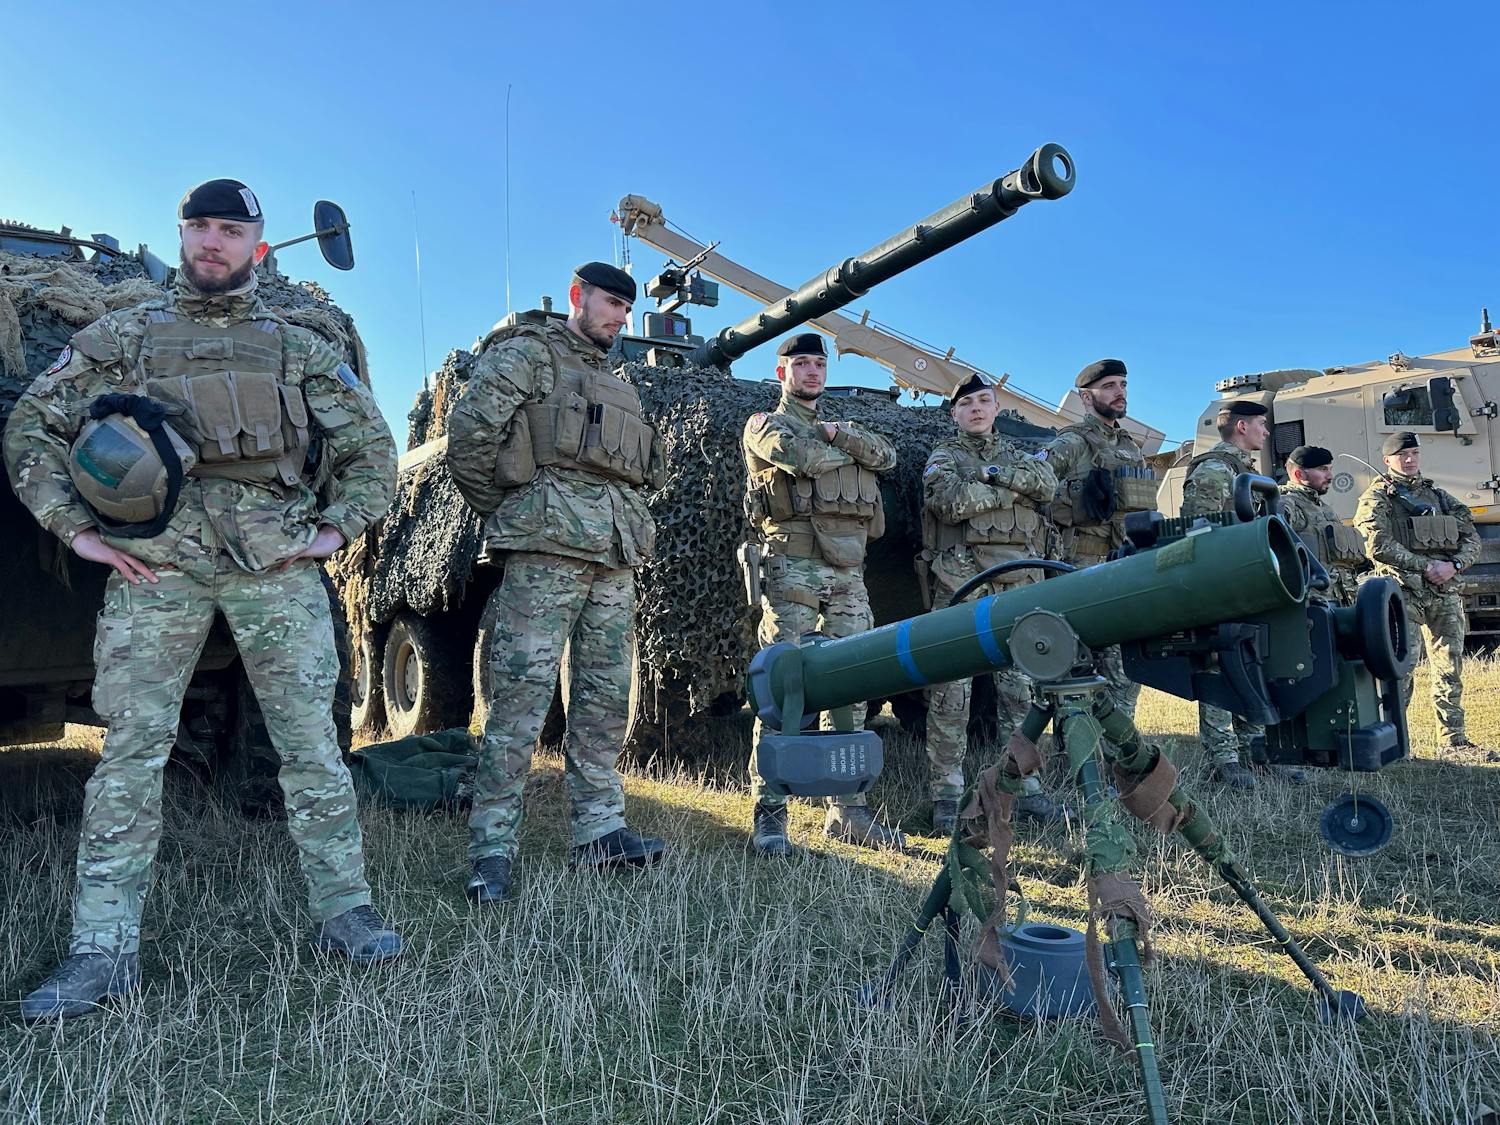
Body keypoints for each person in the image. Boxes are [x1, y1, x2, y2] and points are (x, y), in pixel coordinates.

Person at [3, 178, 401, 1020]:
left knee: (309, 749)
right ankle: (101, 950)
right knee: (131, 756)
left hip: (276, 566)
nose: (212, 242)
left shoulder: (294, 345)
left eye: (230, 228)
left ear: (257, 241)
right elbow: (32, 424)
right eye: (199, 228)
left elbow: (373, 447)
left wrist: (334, 532)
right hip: (160, 566)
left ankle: (346, 913)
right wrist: (74, 529)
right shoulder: (124, 334)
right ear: (180, 236)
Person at [445, 261, 666, 904]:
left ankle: (600, 831)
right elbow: (471, 435)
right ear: (578, 297)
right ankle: (492, 847)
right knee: (518, 699)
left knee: (604, 699)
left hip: (614, 555)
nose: (619, 317)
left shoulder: (617, 383)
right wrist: (514, 510)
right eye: (609, 303)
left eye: (626, 308)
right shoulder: (528, 356)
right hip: (545, 549)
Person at [741, 332, 900, 855]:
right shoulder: (765, 425)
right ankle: (770, 812)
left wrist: (839, 437)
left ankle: (847, 810)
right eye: (801, 364)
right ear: (781, 371)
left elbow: (888, 457)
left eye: (818, 364)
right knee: (783, 687)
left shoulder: (843, 427)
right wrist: (846, 450)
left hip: (847, 572)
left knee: (851, 682)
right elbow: (797, 457)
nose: (812, 372)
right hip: (792, 567)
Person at [920, 373, 1058, 833]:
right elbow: (951, 502)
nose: (977, 409)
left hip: (1019, 582)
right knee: (950, 694)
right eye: (967, 404)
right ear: (954, 412)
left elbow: (1047, 485)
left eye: (984, 400)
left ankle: (1025, 786)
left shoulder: (1017, 455)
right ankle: (946, 793)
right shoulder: (944, 457)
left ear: (996, 407)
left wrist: (993, 475)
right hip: (964, 582)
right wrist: (1012, 490)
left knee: (1021, 692)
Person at [1179, 399, 1303, 787]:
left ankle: (1256, 751)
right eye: (1261, 425)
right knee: (1218, 666)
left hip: (1247, 584)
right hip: (1220, 586)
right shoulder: (1216, 470)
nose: (1267, 433)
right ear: (1241, 427)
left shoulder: (1245, 472)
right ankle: (1223, 760)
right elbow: (1199, 533)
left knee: (1251, 663)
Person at [1354, 430, 1484, 751]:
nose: (1409, 460)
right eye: (1402, 455)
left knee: (1449, 667)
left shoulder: (1438, 497)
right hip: (1403, 594)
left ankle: (1454, 740)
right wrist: (1426, 567)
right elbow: (1376, 545)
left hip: (1445, 593)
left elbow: (1472, 538)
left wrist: (1452, 566)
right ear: (1387, 460)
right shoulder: (1377, 497)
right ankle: (1394, 742)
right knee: (1402, 668)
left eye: (1414, 453)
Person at [1044, 358, 1155, 722]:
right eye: (1109, 386)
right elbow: (1034, 485)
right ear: (1086, 396)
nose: (1119, 392)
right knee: (1078, 664)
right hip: (1079, 568)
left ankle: (1119, 748)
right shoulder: (1071, 442)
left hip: (1121, 564)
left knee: (1123, 668)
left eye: (1122, 384)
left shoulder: (1130, 447)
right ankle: (1075, 749)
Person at [1279, 445, 1368, 606]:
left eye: (1330, 469)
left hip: (1342, 600)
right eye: (1323, 469)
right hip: (1314, 603)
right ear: (1299, 474)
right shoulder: (1287, 503)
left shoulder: (1325, 509)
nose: (1330, 476)